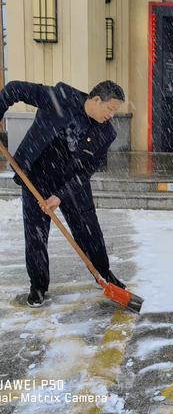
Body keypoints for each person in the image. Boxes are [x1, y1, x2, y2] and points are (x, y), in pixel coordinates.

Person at [0, 80, 126, 307]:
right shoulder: (60, 97)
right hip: (36, 177)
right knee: (36, 235)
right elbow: (13, 90)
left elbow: (86, 170)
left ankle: (104, 275)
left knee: (89, 230)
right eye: (110, 109)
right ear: (96, 99)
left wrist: (60, 196)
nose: (112, 116)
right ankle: (38, 286)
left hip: (71, 183)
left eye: (115, 112)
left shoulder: (106, 133)